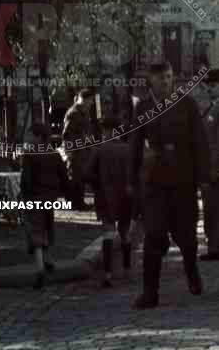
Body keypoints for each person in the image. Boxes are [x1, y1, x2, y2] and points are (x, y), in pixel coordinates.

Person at [129, 61, 210, 309]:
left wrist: (203, 178)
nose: (165, 81)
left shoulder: (187, 104)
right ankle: (150, 293)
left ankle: (191, 270)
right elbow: (134, 146)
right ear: (151, 80)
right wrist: (132, 182)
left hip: (183, 180)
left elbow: (200, 143)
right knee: (153, 236)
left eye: (168, 76)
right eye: (160, 78)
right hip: (155, 182)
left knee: (186, 237)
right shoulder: (143, 107)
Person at [21, 122, 69, 289]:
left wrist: (24, 196)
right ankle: (49, 260)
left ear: (37, 136)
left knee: (36, 232)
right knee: (47, 226)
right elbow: (63, 176)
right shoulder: (54, 154)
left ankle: (40, 268)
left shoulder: (29, 154)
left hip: (33, 197)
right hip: (49, 197)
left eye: (30, 134)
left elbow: (25, 180)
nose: (27, 138)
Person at [85, 118, 132, 288]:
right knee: (125, 234)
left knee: (108, 234)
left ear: (107, 132)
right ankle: (127, 268)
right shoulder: (127, 150)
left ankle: (108, 274)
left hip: (105, 197)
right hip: (126, 198)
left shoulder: (99, 150)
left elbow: (87, 174)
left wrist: (99, 185)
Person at [194, 70, 219, 261]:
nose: (209, 89)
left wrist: (214, 168)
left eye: (212, 85)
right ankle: (214, 246)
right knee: (211, 210)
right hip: (210, 166)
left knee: (212, 210)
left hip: (215, 169)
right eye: (207, 85)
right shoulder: (212, 107)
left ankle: (215, 248)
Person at [62, 89, 95, 211]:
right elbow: (67, 134)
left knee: (80, 177)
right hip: (75, 150)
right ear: (85, 99)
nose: (91, 104)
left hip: (82, 150)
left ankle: (78, 202)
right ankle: (75, 203)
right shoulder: (74, 113)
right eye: (90, 101)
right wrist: (69, 152)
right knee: (75, 177)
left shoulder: (83, 112)